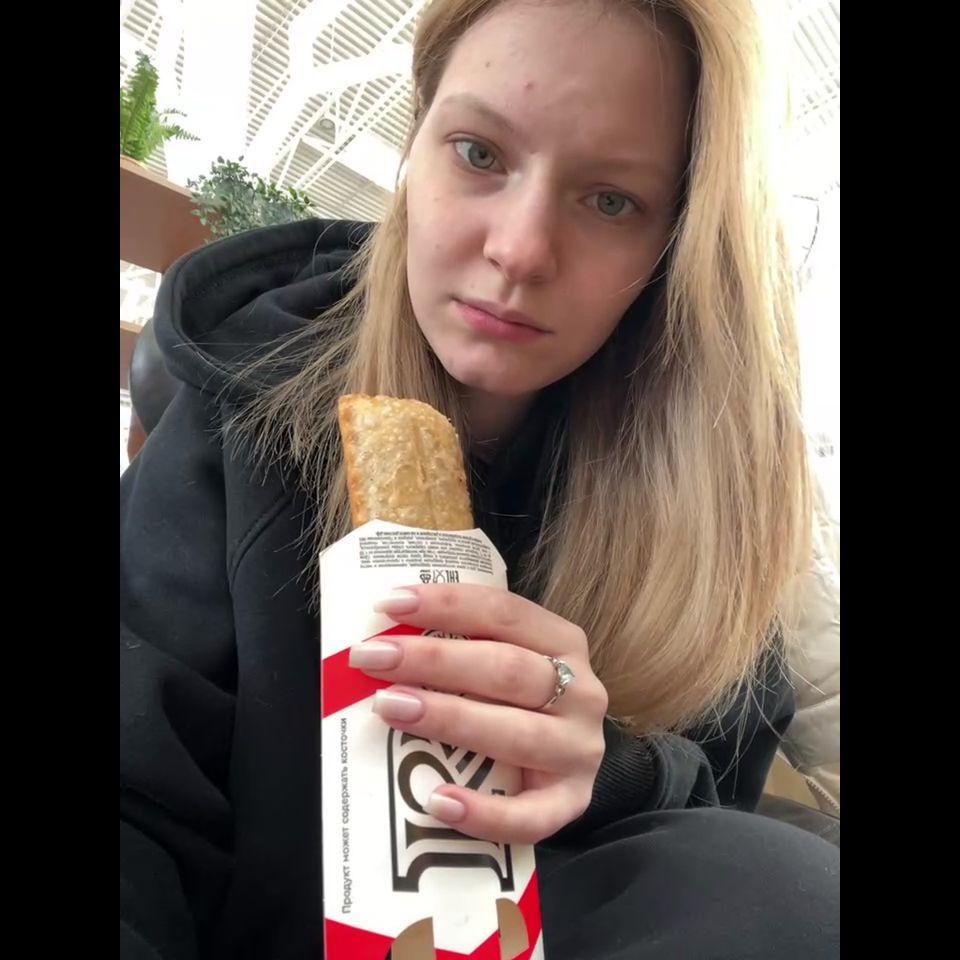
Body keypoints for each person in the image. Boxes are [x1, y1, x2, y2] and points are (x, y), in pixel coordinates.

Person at [119, 0, 840, 957]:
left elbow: (717, 801)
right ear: (416, 139)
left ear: (675, 243)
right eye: (478, 153)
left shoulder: (710, 501)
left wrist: (610, 768)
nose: (520, 250)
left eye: (611, 201)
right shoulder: (246, 407)